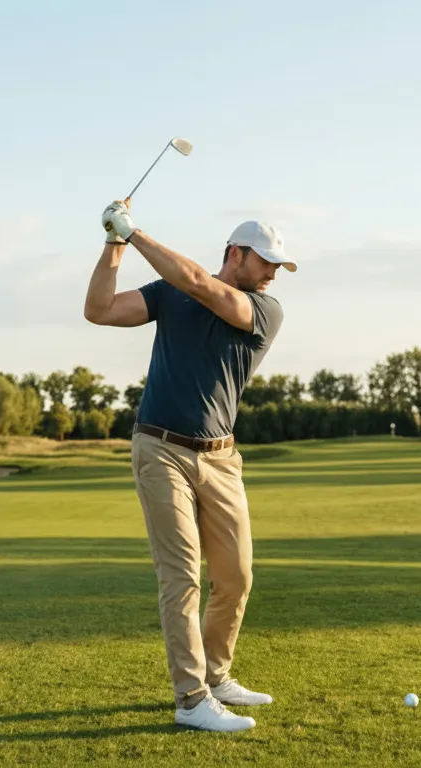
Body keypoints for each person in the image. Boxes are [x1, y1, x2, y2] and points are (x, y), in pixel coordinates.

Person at [84, 198, 297, 732]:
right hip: (159, 449)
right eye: (265, 260)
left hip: (222, 459)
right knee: (181, 577)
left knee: (236, 575)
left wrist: (135, 233)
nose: (273, 272)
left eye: (278, 264)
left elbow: (203, 285)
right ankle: (192, 698)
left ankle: (217, 674)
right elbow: (100, 310)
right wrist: (113, 244)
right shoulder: (171, 292)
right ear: (236, 252)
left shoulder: (264, 310)